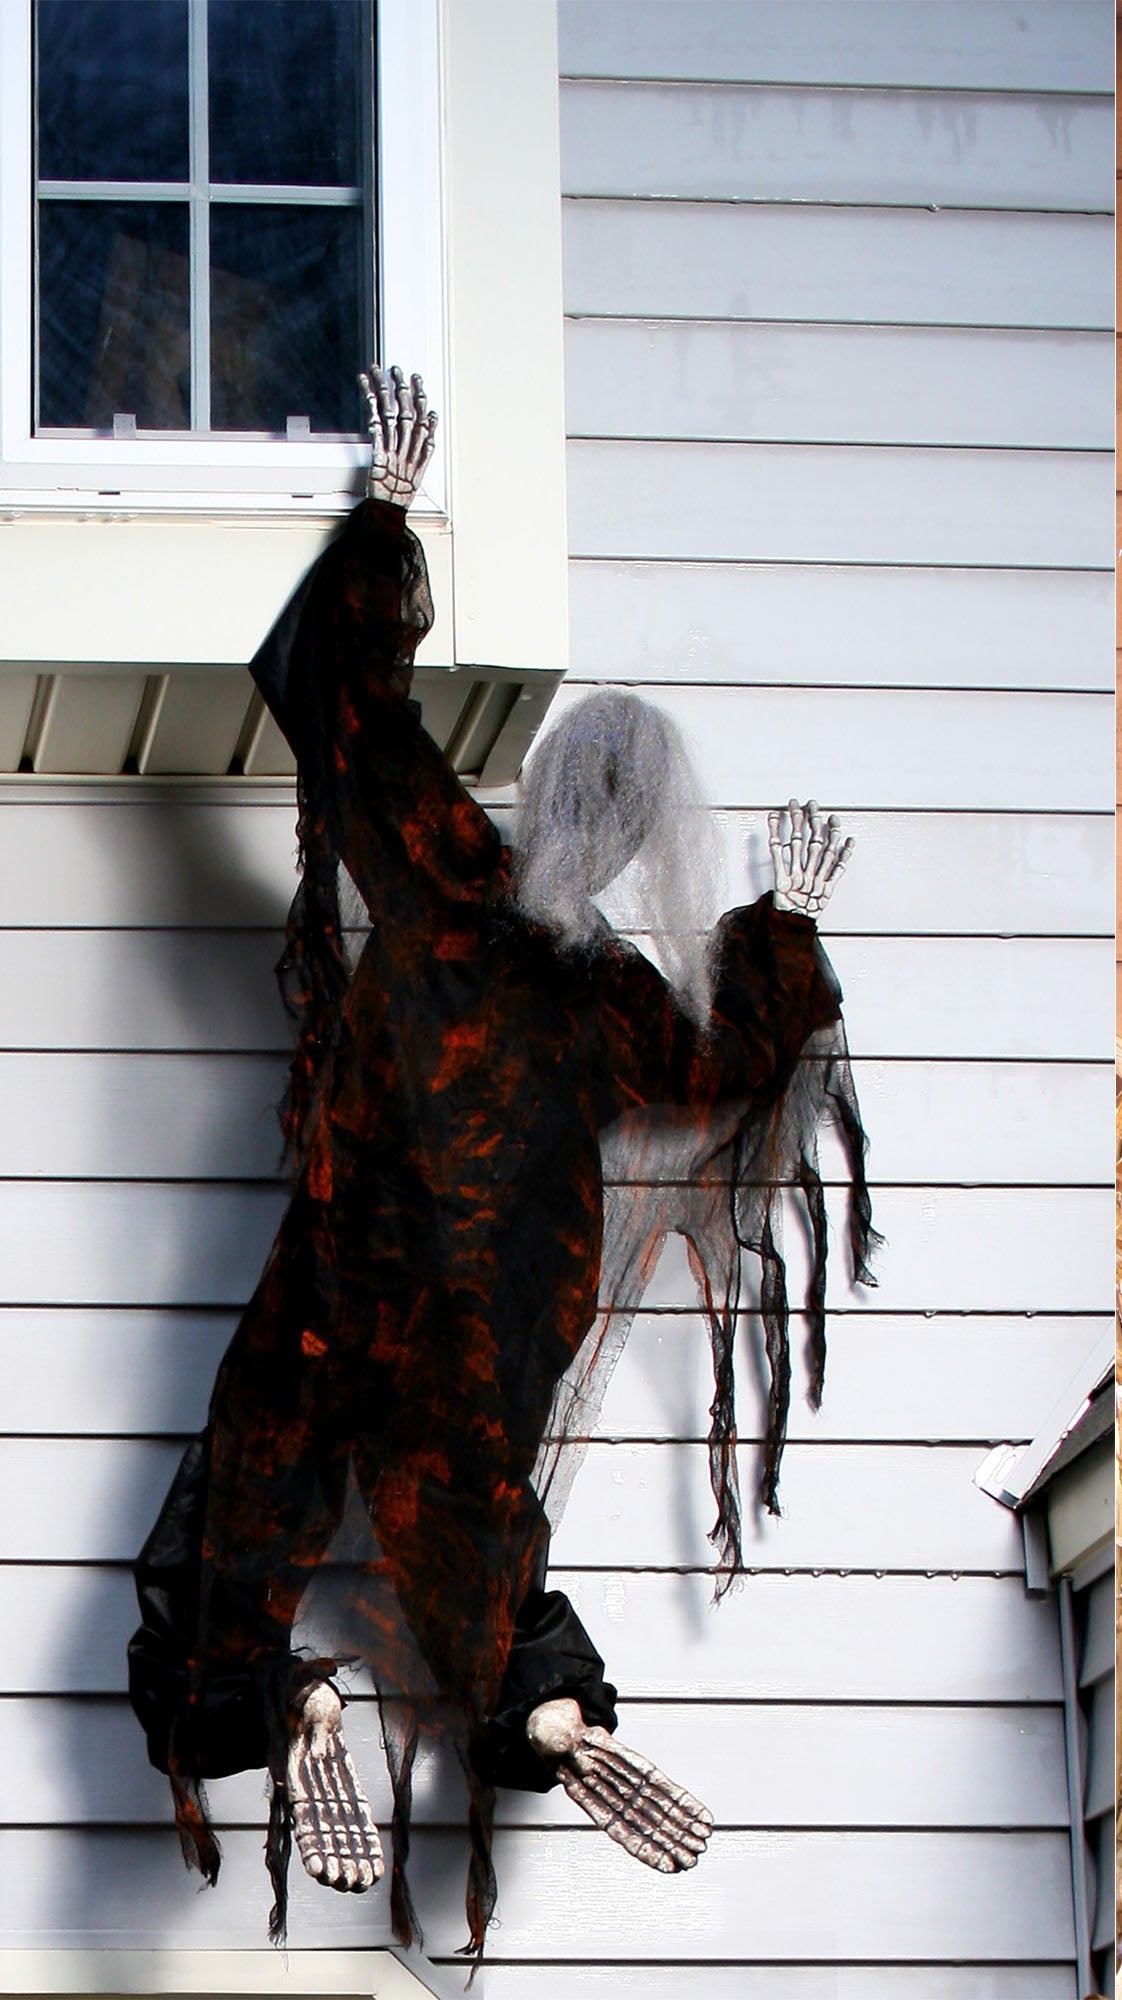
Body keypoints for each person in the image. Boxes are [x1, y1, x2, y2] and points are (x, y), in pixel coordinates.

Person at [129, 366, 876, 1961]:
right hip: (487, 1331)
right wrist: (782, 923)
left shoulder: (442, 866)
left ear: (539, 797)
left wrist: (385, 522)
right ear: (636, 845)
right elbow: (734, 1064)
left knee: (246, 1498)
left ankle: (284, 1696)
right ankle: (547, 1717)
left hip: (346, 1270)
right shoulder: (615, 1002)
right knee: (477, 1538)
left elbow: (343, 707)